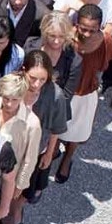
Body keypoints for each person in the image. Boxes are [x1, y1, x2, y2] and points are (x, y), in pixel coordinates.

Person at [55, 3, 112, 181]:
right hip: (65, 90)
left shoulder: (105, 41)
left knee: (78, 131)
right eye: (83, 29)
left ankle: (68, 158)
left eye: (92, 30)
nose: (87, 34)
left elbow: (103, 65)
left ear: (100, 27)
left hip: (86, 91)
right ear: (76, 24)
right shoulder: (66, 38)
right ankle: (53, 150)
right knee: (57, 126)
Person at [0, 72, 41, 224]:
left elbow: (30, 159)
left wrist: (20, 186)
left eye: (15, 100)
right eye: (6, 98)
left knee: (5, 215)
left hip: (9, 177)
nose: (9, 104)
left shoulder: (31, 124)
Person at [21, 48, 67, 199]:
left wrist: (49, 154)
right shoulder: (13, 86)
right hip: (12, 145)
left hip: (36, 149)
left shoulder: (56, 95)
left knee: (26, 188)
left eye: (42, 79)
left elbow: (56, 129)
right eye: (32, 78)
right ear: (24, 71)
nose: (36, 84)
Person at [24, 10, 80, 100]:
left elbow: (66, 96)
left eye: (61, 36)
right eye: (52, 36)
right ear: (45, 32)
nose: (56, 41)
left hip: (51, 105)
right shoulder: (30, 46)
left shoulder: (74, 60)